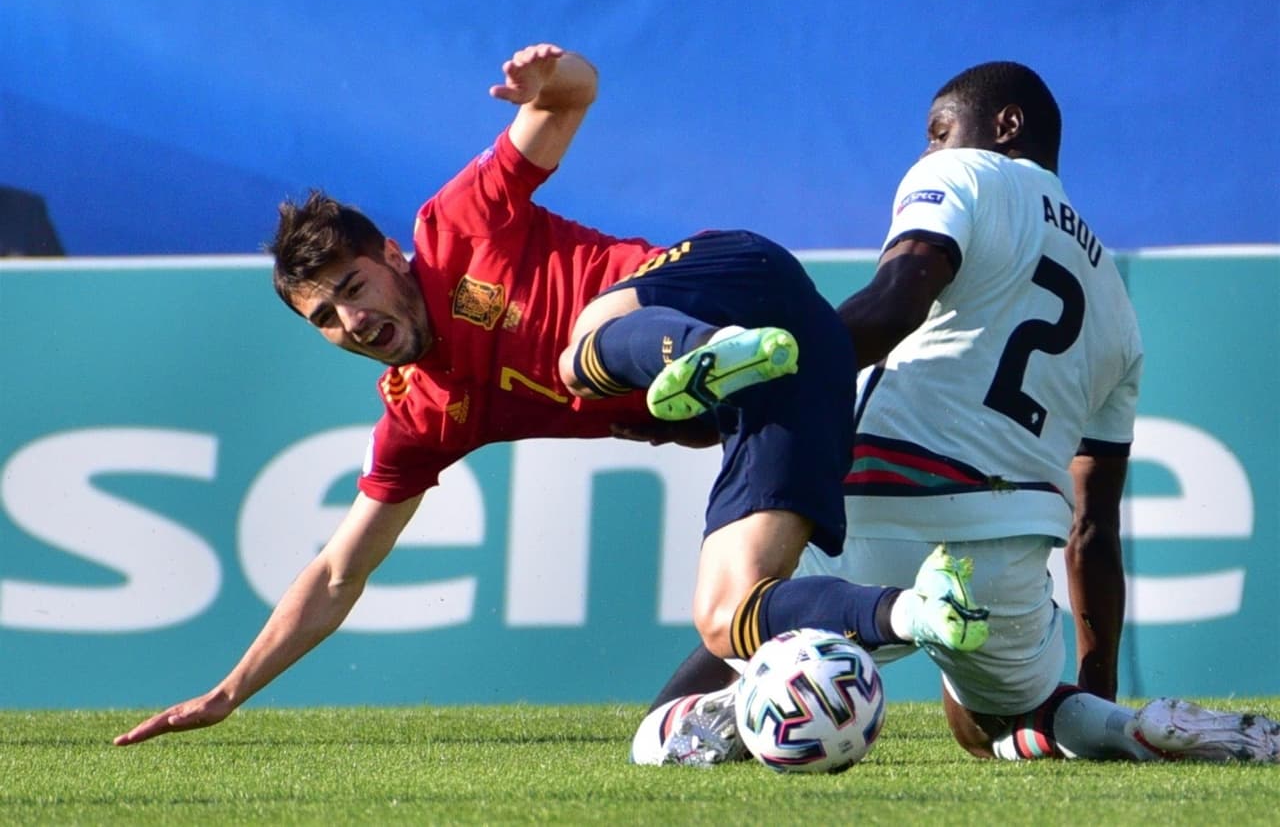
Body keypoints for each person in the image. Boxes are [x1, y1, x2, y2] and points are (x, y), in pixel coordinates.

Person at [113, 43, 989, 747]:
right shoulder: (420, 414)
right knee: (727, 620)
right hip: (787, 384)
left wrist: (551, 74)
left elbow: (572, 97)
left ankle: (707, 353)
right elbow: (339, 572)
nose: (352, 320)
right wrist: (229, 691)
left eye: (352, 286)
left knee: (580, 356)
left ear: (387, 254)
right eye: (326, 319)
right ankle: (919, 607)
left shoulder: (455, 223)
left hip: (728, 276)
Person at [631, 61, 1279, 766]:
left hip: (885, 489)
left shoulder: (967, 175)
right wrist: (1097, 690)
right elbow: (1092, 525)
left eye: (938, 133)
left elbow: (893, 306)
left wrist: (756, 393)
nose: (928, 153)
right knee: (990, 728)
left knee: (681, 701)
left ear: (1005, 127)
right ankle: (1129, 728)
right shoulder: (1119, 314)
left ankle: (755, 699)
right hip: (1008, 541)